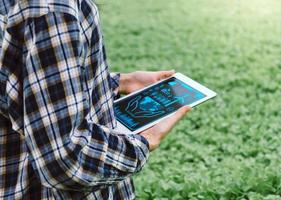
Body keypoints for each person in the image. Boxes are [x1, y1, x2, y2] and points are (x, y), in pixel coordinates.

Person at [0, 0, 190, 199]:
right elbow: (68, 159)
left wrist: (120, 82)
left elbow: (19, 80)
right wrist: (143, 142)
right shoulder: (52, 9)